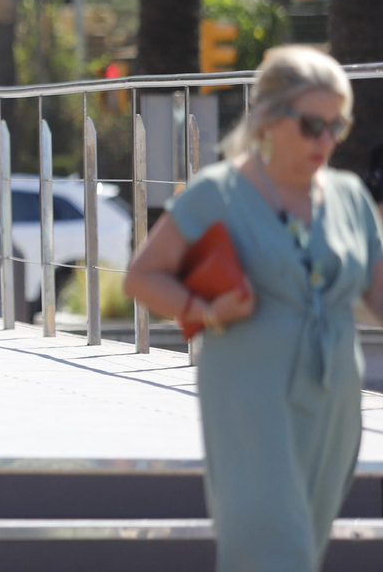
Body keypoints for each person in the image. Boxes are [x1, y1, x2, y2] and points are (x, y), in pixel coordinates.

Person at [123, 46, 383, 572]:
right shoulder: (218, 192)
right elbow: (140, 277)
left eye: (337, 126)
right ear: (268, 118)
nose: (326, 141)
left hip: (333, 400)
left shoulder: (350, 197)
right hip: (250, 396)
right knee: (274, 550)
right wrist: (206, 309)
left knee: (302, 547)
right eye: (312, 126)